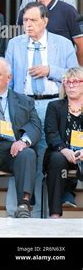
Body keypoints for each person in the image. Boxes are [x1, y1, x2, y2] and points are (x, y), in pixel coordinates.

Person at [6, 1, 78, 217]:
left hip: (53, 104)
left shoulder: (63, 44)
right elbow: (8, 81)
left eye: (33, 20)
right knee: (24, 154)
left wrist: (50, 70)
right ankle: (22, 210)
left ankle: (50, 212)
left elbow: (74, 75)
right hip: (24, 105)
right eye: (25, 20)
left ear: (45, 21)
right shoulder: (14, 44)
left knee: (52, 156)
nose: (28, 24)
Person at [0, 58, 40, 218]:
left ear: (9, 78)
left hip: (12, 148)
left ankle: (23, 205)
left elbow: (35, 126)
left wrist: (23, 141)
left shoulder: (24, 101)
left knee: (28, 154)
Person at [16, 0, 83, 65]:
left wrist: (76, 71)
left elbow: (81, 46)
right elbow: (20, 44)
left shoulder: (68, 11)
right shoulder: (25, 12)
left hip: (61, 75)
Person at [44, 67, 83, 218]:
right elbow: (51, 133)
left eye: (76, 82)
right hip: (62, 152)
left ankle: (68, 193)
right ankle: (55, 214)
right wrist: (64, 150)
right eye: (67, 82)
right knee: (56, 159)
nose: (71, 85)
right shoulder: (54, 106)